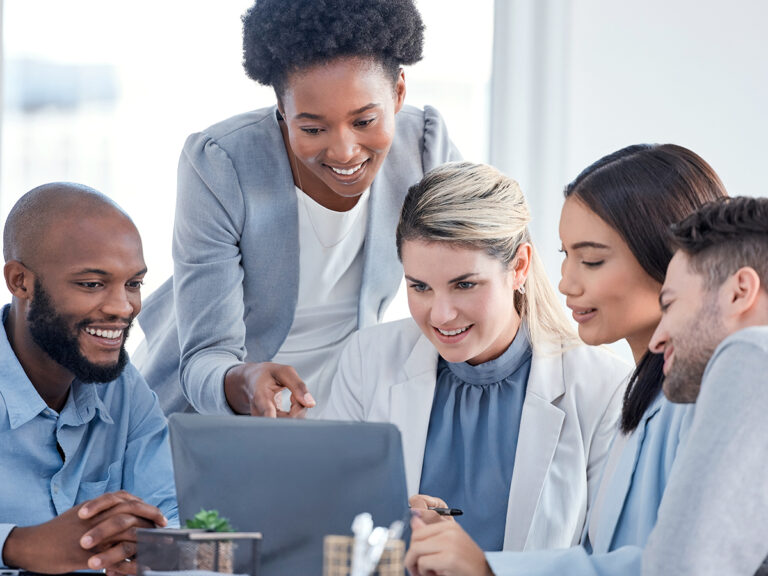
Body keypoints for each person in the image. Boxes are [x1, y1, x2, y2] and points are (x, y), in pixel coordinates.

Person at [402, 144, 727, 576]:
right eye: (566, 255)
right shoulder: (644, 396)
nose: (565, 283)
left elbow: (684, 565)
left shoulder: (691, 404)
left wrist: (488, 568)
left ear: (672, 262)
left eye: (591, 260)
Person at [135, 0, 460, 417]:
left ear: (398, 91)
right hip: (212, 414)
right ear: (281, 109)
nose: (344, 151)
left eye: (364, 122)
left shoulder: (425, 148)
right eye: (312, 128)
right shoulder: (220, 164)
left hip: (344, 402)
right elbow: (203, 359)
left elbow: (484, 265)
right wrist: (242, 380)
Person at [324, 162, 629, 553]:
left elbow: (610, 560)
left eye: (464, 285)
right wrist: (390, 523)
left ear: (519, 266)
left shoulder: (603, 388)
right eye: (420, 287)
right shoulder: (368, 359)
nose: (440, 315)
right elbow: (325, 516)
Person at [0, 183, 178, 575]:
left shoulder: (122, 388)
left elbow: (170, 518)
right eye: (92, 284)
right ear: (20, 282)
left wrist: (156, 557)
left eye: (133, 284)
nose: (123, 307)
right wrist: (16, 545)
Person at [643, 196, 768, 576]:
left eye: (670, 304)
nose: (656, 339)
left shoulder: (751, 355)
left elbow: (683, 566)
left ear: (739, 291)